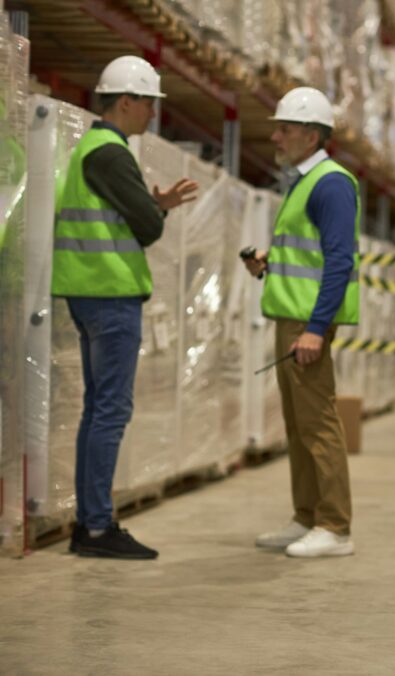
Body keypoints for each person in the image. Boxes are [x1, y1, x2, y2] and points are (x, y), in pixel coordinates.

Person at [56, 55, 199, 559]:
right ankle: (96, 527)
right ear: (126, 101)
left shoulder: (92, 151)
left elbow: (133, 214)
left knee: (99, 411)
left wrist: (151, 203)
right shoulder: (111, 154)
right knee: (110, 412)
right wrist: (152, 210)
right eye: (149, 104)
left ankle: (90, 524)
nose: (153, 115)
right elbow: (147, 228)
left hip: (89, 293)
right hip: (110, 295)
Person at [242, 87, 360, 559]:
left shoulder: (330, 183)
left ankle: (335, 526)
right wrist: (269, 261)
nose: (275, 136)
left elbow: (338, 262)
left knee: (318, 424)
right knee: (297, 424)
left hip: (306, 323)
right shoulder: (305, 181)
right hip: (290, 317)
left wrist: (315, 327)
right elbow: (308, 255)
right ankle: (306, 516)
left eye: (285, 129)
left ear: (310, 136)